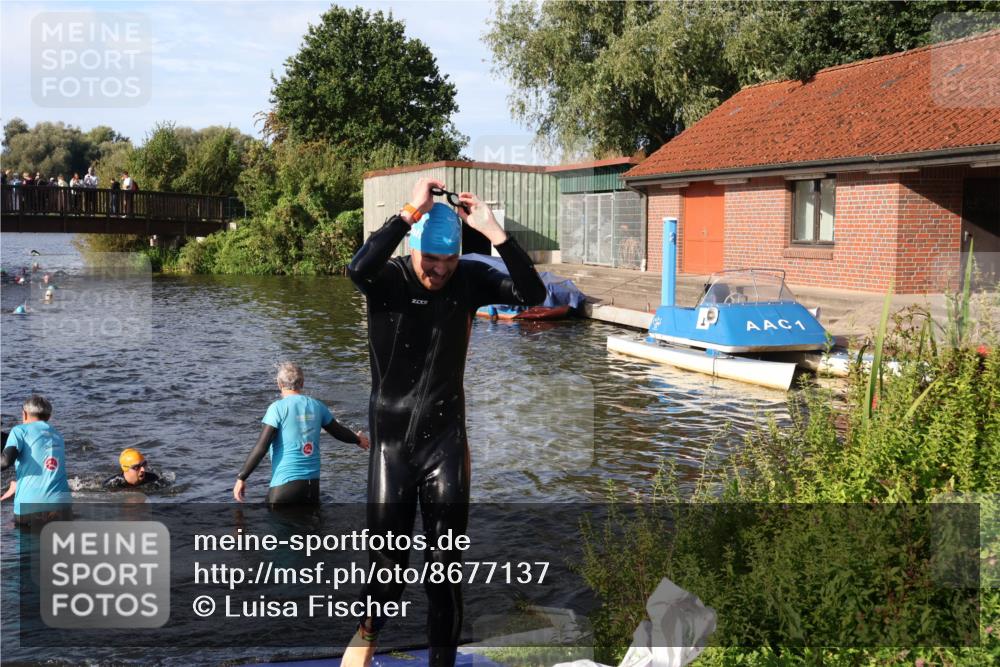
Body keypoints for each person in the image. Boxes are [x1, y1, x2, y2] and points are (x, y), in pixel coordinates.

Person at [343, 178, 546, 667]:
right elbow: (357, 267)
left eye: (448, 260)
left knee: (444, 573)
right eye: (430, 260)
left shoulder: (469, 279)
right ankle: (367, 633)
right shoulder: (388, 279)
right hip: (392, 448)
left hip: (446, 444)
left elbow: (532, 292)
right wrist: (409, 211)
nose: (438, 270)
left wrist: (495, 233)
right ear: (413, 248)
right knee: (387, 572)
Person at [233, 362, 370, 505]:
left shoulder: (277, 409)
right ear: (302, 383)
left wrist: (242, 477)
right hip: (312, 488)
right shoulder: (317, 406)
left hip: (284, 486)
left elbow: (261, 447)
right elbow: (339, 432)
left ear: (279, 384)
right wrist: (358, 440)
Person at [0, 395, 72, 524]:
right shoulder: (58, 435)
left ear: (24, 414)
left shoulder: (19, 431)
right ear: (48, 416)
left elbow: (5, 461)